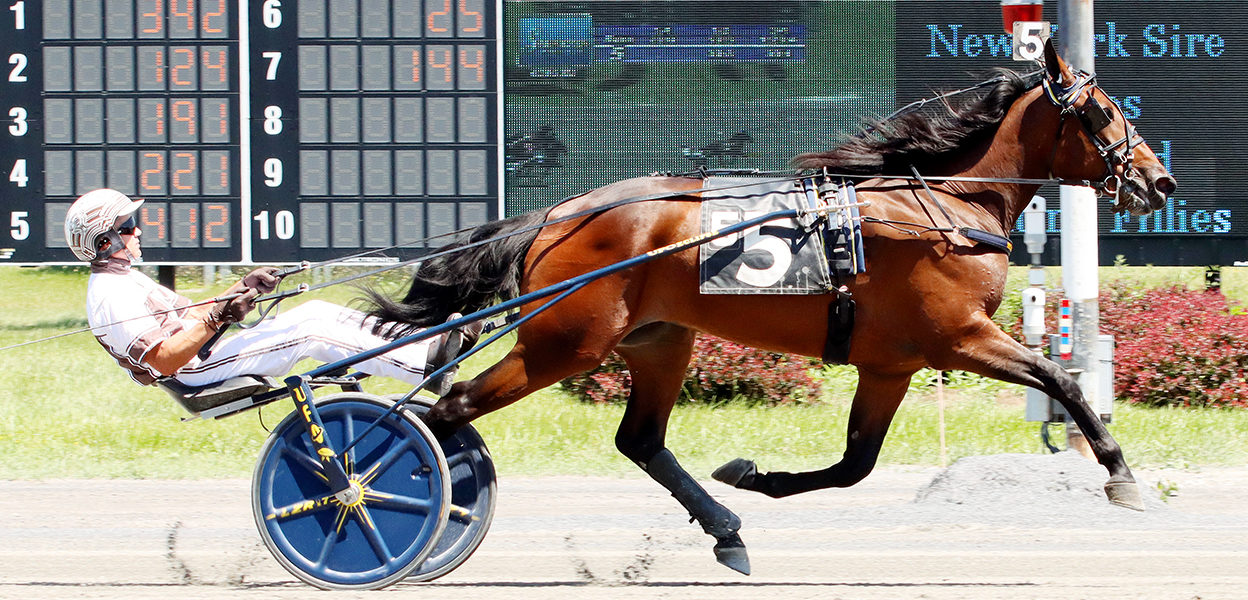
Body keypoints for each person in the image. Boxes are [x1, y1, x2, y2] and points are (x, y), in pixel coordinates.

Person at [64, 188, 478, 404]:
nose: (137, 230)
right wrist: (218, 318)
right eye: (127, 226)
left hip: (201, 355)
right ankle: (423, 366)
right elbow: (163, 359)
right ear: (103, 242)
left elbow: (191, 316)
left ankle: (425, 345)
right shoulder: (110, 294)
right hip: (192, 372)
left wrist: (241, 288)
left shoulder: (125, 279)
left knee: (314, 309)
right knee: (310, 328)